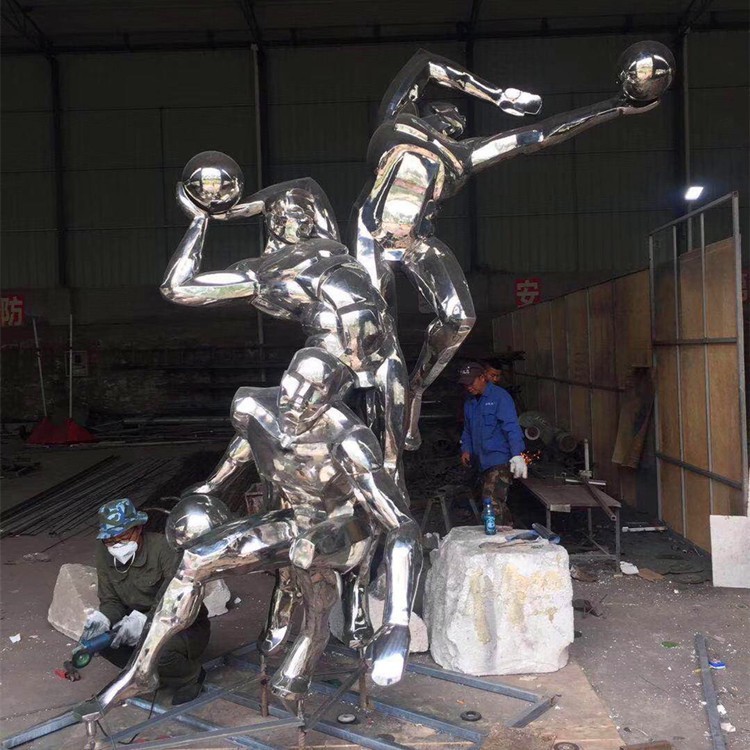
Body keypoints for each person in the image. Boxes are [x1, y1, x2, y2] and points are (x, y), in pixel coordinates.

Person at [354, 47, 670, 451]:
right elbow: (425, 64)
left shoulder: (461, 154)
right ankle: (378, 412)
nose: (455, 123)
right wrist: (497, 94)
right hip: (370, 233)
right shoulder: (399, 121)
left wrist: (615, 106)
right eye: (450, 117)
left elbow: (537, 136)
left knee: (460, 318)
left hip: (418, 240)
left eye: (458, 123)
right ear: (431, 111)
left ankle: (415, 388)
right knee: (375, 332)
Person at [92, 349, 421, 713]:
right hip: (290, 519)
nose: (297, 397)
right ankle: (141, 670)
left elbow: (402, 524)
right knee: (195, 560)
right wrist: (211, 485)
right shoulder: (253, 407)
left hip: (343, 526)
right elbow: (248, 443)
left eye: (314, 391)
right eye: (294, 381)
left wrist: (397, 620)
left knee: (307, 553)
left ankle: (310, 641)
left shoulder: (349, 440)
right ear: (285, 374)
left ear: (332, 399)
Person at [81, 499, 210, 706]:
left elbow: (180, 600)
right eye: (110, 540)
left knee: (157, 650)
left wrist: (146, 623)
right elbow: (111, 600)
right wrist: (103, 620)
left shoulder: (164, 549)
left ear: (138, 528)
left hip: (182, 625)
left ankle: (191, 676)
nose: (117, 545)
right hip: (135, 622)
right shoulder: (104, 553)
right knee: (104, 643)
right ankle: (147, 675)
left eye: (123, 537)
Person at [458, 362, 527, 526]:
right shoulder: (470, 402)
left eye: (471, 382)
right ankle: (508, 530)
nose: (468, 387)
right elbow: (467, 429)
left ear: (482, 378)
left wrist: (517, 455)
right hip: (480, 461)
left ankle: (494, 537)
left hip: (499, 460)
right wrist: (466, 449)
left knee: (491, 502)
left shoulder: (500, 397)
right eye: (465, 384)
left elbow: (511, 427)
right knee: (496, 501)